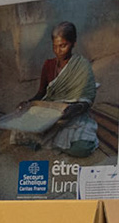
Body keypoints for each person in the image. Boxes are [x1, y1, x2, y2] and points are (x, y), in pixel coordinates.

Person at [30, 22, 100, 157]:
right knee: (20, 130)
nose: (58, 51)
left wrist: (72, 110)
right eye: (54, 46)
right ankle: (50, 139)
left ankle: (46, 140)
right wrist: (28, 103)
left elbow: (87, 100)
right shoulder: (48, 65)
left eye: (63, 46)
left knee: (83, 147)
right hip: (49, 114)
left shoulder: (82, 66)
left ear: (73, 43)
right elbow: (41, 93)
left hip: (73, 115)